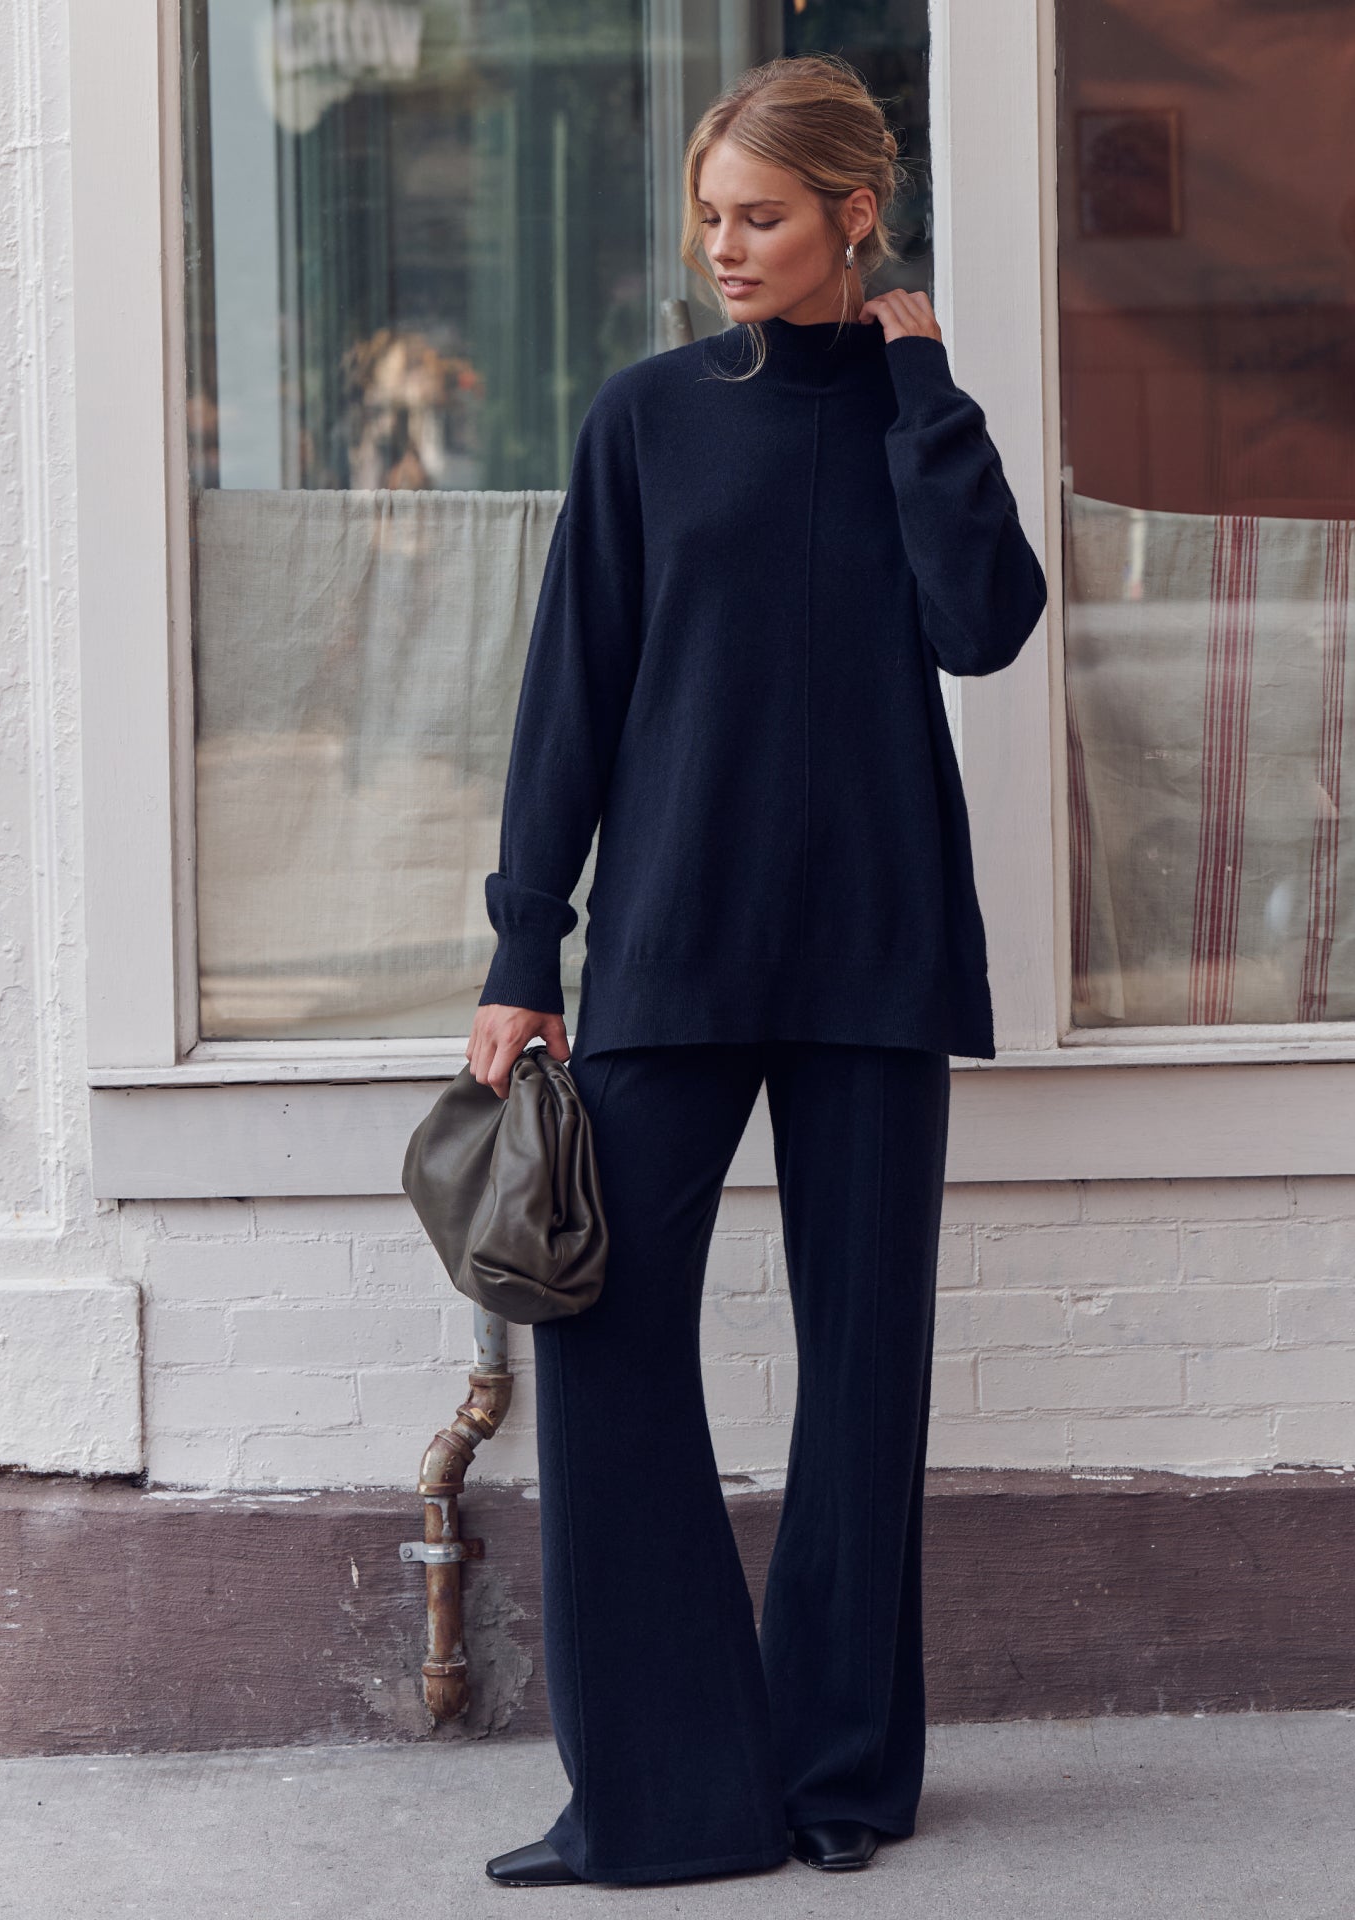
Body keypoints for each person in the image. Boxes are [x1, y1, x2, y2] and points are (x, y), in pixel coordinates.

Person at [465, 51, 1047, 1891]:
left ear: (854, 217)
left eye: (764, 217)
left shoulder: (915, 418)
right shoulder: (644, 420)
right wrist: (524, 941)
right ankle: (661, 1791)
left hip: (875, 946)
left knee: (864, 1371)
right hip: (672, 944)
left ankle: (839, 1774)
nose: (725, 248)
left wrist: (924, 389)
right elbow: (571, 694)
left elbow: (986, 625)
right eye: (710, 217)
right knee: (602, 1333)